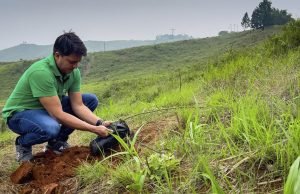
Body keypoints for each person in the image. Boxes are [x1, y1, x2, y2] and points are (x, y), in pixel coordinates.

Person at [2, 32, 112, 162]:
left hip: (47, 109)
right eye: (72, 62)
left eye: (78, 62)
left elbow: (78, 105)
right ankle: (23, 143)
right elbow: (58, 114)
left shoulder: (73, 72)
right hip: (20, 115)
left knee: (90, 100)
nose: (75, 66)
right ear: (57, 55)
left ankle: (56, 143)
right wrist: (93, 129)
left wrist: (100, 122)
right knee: (50, 128)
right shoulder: (41, 73)